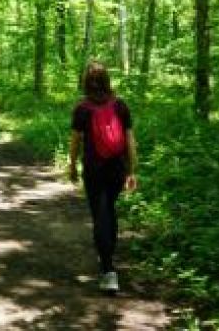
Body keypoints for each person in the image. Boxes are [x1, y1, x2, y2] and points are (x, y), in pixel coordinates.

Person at [69, 61, 137, 294]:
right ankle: (108, 261)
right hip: (117, 168)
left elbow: (76, 141)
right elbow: (130, 142)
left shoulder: (82, 109)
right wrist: (131, 170)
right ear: (107, 80)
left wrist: (71, 165)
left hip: (93, 168)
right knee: (109, 208)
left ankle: (108, 270)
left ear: (86, 83)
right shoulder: (120, 105)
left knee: (100, 214)